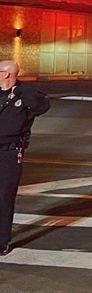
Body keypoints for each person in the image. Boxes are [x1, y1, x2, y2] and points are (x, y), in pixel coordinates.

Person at [0, 60, 50, 256]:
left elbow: (42, 106)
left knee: (4, 196)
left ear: (7, 74)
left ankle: (2, 240)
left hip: (9, 153)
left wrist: (19, 88)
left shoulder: (24, 95)